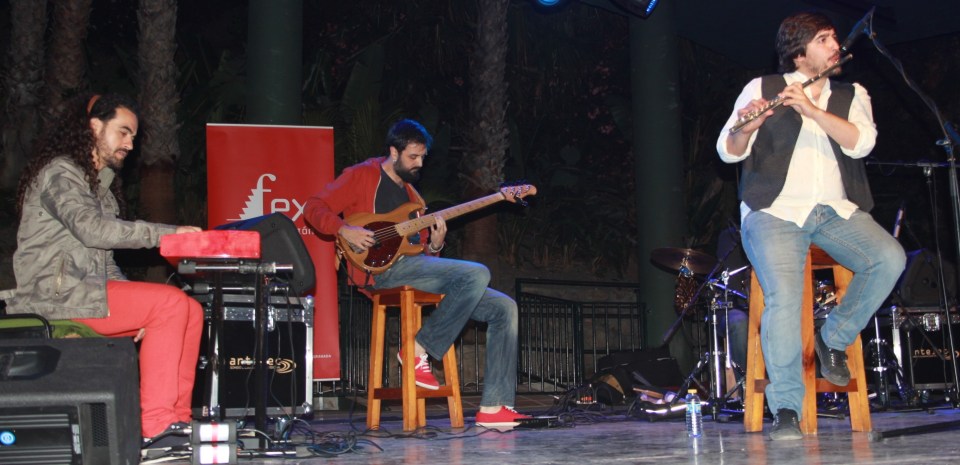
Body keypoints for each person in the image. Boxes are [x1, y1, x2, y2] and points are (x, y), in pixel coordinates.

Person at [716, 12, 906, 440]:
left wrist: (812, 111)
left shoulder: (852, 94)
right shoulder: (762, 87)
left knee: (889, 258)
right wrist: (750, 126)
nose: (836, 46)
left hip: (834, 211)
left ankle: (833, 337)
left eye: (835, 38)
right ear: (799, 53)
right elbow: (728, 150)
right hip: (774, 211)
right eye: (823, 39)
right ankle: (786, 407)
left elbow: (862, 143)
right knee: (785, 297)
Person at [304, 119, 530, 428]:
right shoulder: (361, 176)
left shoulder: (414, 199)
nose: (419, 163)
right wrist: (344, 229)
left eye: (423, 157)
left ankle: (493, 407)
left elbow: (421, 254)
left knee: (505, 308)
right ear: (393, 152)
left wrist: (435, 245)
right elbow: (313, 207)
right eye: (413, 156)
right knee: (477, 272)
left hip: (413, 269)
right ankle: (417, 348)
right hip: (380, 274)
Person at [8, 92, 204, 444]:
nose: (130, 144)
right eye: (123, 132)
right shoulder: (61, 173)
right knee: (170, 303)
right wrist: (168, 233)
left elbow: (106, 263)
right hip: (54, 296)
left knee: (190, 309)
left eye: (133, 136)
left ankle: (178, 421)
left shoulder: (102, 189)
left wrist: (138, 310)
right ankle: (156, 426)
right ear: (95, 126)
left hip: (86, 293)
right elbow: (93, 230)